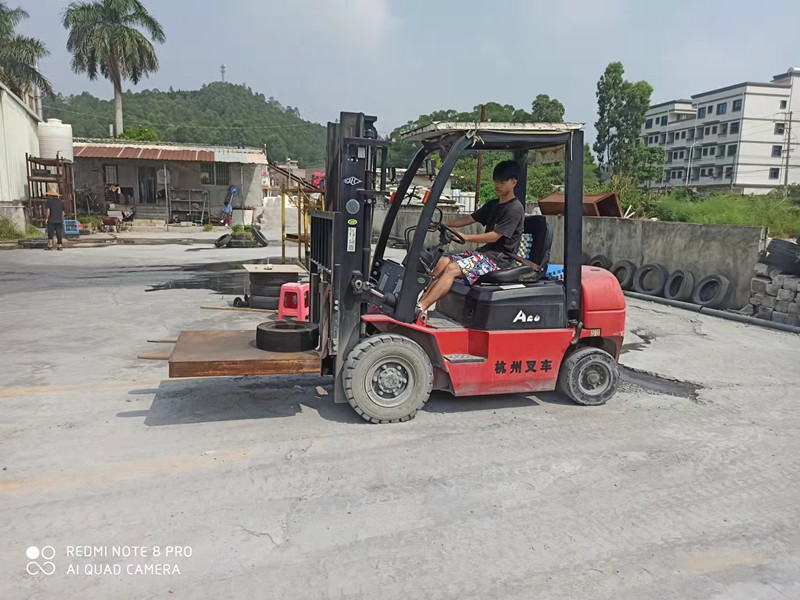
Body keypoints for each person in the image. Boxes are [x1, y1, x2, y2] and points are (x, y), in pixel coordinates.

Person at [417, 160, 525, 315]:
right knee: (441, 263)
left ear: (514, 182)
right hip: (485, 254)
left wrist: (466, 237)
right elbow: (468, 219)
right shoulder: (494, 204)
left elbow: (495, 236)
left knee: (452, 269)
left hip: (499, 260)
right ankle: (419, 302)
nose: (497, 185)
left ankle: (421, 307)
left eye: (502, 181)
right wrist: (442, 224)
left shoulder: (514, 209)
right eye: (496, 181)